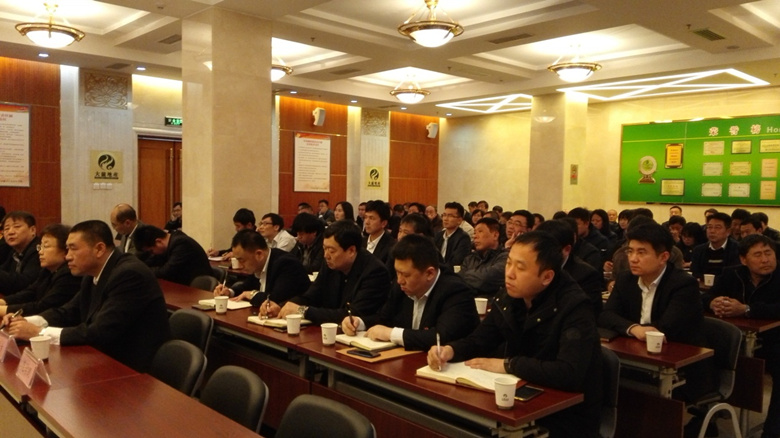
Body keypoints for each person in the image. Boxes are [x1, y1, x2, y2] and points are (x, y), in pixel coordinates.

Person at [427, 232, 602, 438]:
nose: (509, 273)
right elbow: (480, 339)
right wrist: (450, 350)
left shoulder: (575, 307)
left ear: (547, 277)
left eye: (520, 268)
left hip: (565, 415)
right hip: (520, 398)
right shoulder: (510, 296)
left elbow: (568, 372)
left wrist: (509, 365)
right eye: (508, 263)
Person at [5, 220, 170, 372]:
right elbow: (68, 312)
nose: (67, 256)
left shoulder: (129, 274)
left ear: (99, 249)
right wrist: (26, 321)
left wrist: (39, 332)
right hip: (105, 358)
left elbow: (99, 332)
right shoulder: (93, 273)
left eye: (73, 249)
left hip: (132, 369)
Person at [598, 223, 711, 404]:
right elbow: (606, 315)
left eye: (641, 252)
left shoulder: (683, 284)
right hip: (639, 359)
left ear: (663, 257)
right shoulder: (626, 279)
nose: (633, 259)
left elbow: (665, 328)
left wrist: (629, 328)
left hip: (681, 367)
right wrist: (634, 328)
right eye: (630, 251)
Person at [701, 234, 780, 438]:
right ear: (744, 260)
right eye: (758, 255)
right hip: (736, 343)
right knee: (704, 359)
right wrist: (712, 303)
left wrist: (747, 309)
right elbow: (705, 297)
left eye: (769, 253)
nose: (765, 259)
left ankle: (772, 431)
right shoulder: (732, 274)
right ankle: (705, 420)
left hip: (774, 341)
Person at [341, 234, 478, 351]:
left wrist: (391, 334)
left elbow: (440, 336)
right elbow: (384, 319)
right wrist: (360, 323)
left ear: (429, 273)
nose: (399, 280)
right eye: (397, 272)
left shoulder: (456, 291)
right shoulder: (400, 286)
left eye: (406, 275)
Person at [269, 221, 390, 325]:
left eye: (331, 251)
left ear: (351, 250)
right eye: (324, 249)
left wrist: (303, 311)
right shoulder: (330, 264)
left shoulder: (375, 272)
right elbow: (311, 296)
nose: (326, 255)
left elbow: (352, 315)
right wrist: (281, 306)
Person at [213, 229, 310, 307]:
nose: (239, 265)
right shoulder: (258, 264)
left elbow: (274, 300)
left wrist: (252, 294)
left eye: (242, 260)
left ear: (259, 254)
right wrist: (229, 292)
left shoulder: (287, 264)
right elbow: (246, 286)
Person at [0, 224, 80, 317]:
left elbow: (43, 307)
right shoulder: (47, 270)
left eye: (46, 246)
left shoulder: (69, 275)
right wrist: (3, 301)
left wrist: (4, 309)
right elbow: (30, 292)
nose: (40, 252)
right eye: (40, 247)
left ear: (65, 251)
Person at [536, 219, 604, 316]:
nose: (543, 254)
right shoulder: (533, 267)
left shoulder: (586, 275)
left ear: (567, 249)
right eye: (539, 248)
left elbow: (588, 313)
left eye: (549, 249)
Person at [134, 225, 212, 286]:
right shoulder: (169, 243)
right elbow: (150, 263)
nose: (152, 254)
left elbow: (165, 272)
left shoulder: (181, 244)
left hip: (198, 291)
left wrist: (144, 271)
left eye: (151, 251)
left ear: (159, 241)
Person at [459, 218, 507, 297]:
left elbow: (485, 280)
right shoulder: (470, 258)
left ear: (495, 235)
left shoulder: (505, 257)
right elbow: (458, 282)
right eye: (474, 232)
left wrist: (465, 276)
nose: (475, 236)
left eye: (480, 231)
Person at [0, 211, 42, 295]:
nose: (10, 232)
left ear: (32, 230)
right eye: (6, 228)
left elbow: (25, 283)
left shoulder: (39, 251)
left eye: (17, 227)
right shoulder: (13, 251)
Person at [690, 212, 740, 282]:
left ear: (728, 232)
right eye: (709, 227)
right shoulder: (698, 250)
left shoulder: (738, 249)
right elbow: (695, 274)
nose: (712, 231)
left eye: (717, 227)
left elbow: (733, 276)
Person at [434, 202, 471, 266]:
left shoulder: (463, 238)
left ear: (459, 220)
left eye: (450, 216)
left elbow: (456, 262)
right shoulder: (438, 235)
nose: (445, 219)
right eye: (444, 215)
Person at [362, 200, 396, 265]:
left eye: (371, 218)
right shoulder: (360, 242)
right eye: (365, 217)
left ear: (384, 223)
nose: (366, 222)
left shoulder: (391, 247)